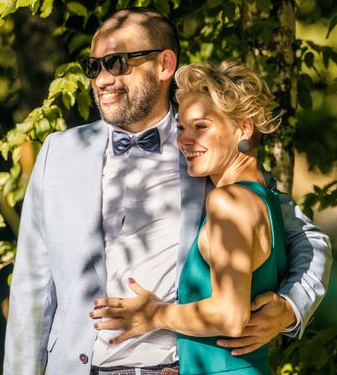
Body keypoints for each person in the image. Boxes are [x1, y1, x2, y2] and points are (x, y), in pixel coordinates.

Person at [3, 8, 331, 375]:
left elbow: (307, 239)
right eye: (93, 67)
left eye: (116, 63)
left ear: (164, 64)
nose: (102, 79)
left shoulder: (207, 146)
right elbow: (32, 289)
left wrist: (289, 307)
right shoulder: (60, 153)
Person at [91, 60, 296, 374]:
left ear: (243, 127)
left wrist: (155, 315)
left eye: (201, 126)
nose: (184, 140)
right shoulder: (262, 199)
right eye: (182, 128)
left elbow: (230, 315)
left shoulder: (230, 201)